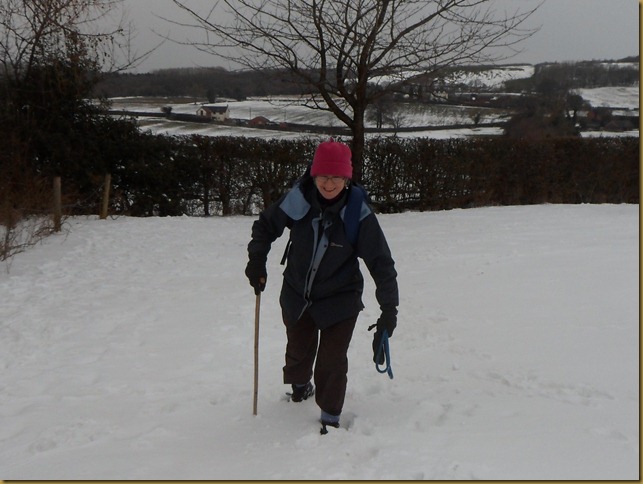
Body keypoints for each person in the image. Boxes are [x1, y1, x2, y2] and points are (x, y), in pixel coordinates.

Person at [244, 139, 398, 432]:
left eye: (336, 177)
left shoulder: (358, 213)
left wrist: (389, 309)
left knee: (332, 361)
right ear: (313, 175)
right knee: (298, 350)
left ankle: (330, 414)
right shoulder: (299, 198)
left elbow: (381, 263)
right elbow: (265, 226)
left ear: (346, 178)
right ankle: (300, 386)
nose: (329, 184)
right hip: (297, 291)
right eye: (323, 176)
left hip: (340, 298)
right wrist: (256, 261)